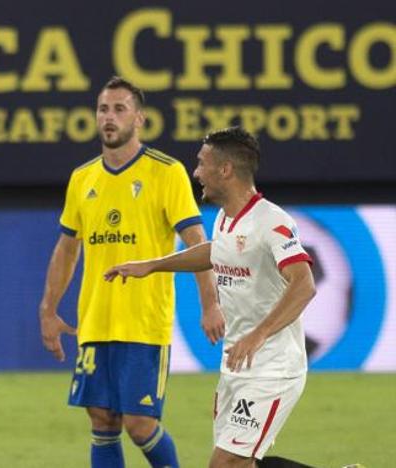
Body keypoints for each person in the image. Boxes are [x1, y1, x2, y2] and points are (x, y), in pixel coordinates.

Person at [105, 127, 316, 468]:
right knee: (241, 464)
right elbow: (216, 251)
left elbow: (304, 285)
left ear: (226, 169)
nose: (196, 172)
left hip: (273, 368)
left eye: (202, 163)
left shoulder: (273, 222)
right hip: (237, 364)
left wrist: (259, 334)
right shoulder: (225, 219)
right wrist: (153, 265)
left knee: (224, 464)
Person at [38, 77, 222, 468]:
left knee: (140, 424)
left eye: (119, 109)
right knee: (102, 419)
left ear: (139, 118)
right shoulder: (82, 178)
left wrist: (210, 304)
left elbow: (198, 243)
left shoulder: (166, 172)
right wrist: (48, 309)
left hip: (143, 323)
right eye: (103, 109)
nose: (109, 117)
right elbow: (67, 247)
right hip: (95, 322)